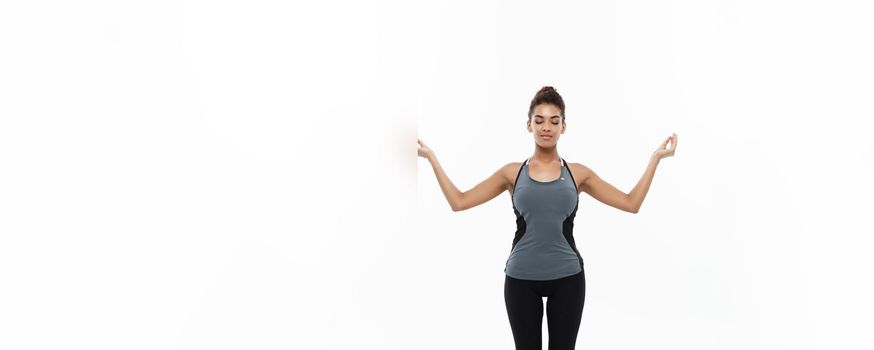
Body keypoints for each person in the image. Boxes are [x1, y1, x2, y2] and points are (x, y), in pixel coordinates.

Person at [417, 86, 677, 350]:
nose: (546, 127)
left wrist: (655, 158)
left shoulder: (578, 174)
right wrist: (432, 159)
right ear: (528, 125)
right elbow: (459, 201)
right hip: (520, 279)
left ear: (564, 127)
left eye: (554, 121)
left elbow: (631, 203)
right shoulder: (511, 173)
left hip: (568, 278)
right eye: (539, 120)